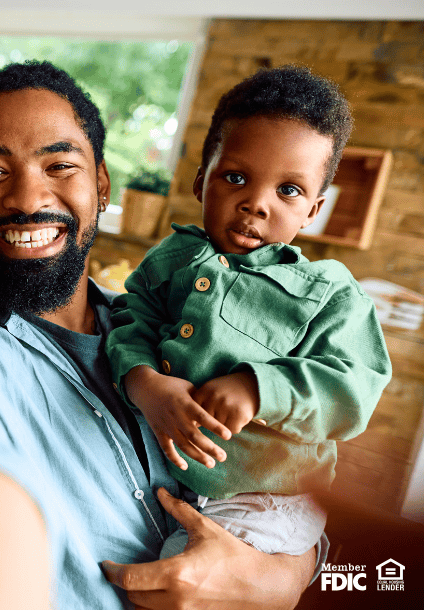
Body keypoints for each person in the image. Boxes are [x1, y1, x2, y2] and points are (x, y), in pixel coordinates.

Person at [0, 61, 322, 610]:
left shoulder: (182, 335)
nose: (28, 198)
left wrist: (276, 578)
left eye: (59, 164)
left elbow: (292, 497)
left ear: (100, 183)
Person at [105, 65, 392, 560]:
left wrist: (260, 388)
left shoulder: (330, 293)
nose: (255, 204)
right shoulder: (171, 260)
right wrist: (145, 383)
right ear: (201, 182)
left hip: (267, 498)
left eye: (289, 191)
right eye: (235, 177)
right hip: (166, 475)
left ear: (313, 210)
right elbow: (130, 325)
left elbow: (354, 390)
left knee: (184, 577)